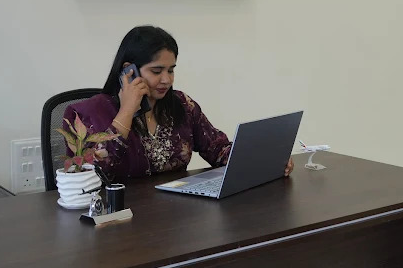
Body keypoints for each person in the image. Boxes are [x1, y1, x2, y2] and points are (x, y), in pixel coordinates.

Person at [63, 25, 294, 181]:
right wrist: (127, 110)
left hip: (176, 218)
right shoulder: (86, 115)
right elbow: (95, 175)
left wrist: (265, 161)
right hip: (119, 220)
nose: (167, 80)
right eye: (157, 71)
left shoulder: (182, 105)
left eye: (171, 70)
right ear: (129, 71)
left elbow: (218, 149)